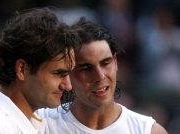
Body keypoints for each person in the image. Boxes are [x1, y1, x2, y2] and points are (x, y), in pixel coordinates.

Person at [0, 7, 80, 134]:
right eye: (59, 73)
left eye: (69, 74)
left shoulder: (26, 117)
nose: (68, 86)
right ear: (21, 69)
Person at [37, 17, 168, 134]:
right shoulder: (40, 124)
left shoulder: (148, 131)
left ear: (115, 62)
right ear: (67, 73)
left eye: (105, 63)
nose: (100, 76)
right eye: (86, 68)